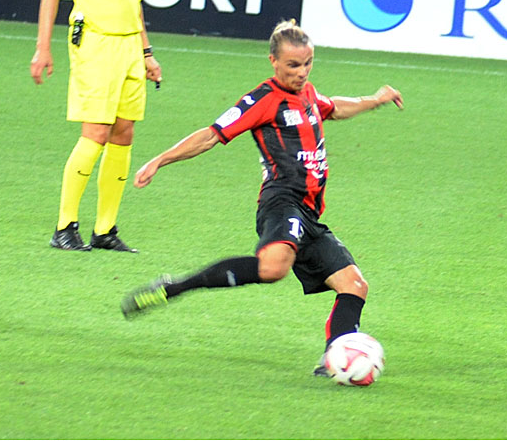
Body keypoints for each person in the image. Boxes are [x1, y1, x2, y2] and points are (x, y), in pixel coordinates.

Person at [121, 20, 403, 376]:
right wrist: (160, 160)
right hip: (282, 201)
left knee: (354, 285)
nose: (301, 72)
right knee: (273, 269)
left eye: (307, 63)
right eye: (292, 65)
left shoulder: (308, 94)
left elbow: (334, 107)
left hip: (310, 214)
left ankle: (335, 356)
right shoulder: (263, 100)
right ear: (273, 61)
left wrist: (375, 100)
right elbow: (211, 135)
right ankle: (176, 287)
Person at [30, 0, 162, 253]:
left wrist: (147, 51)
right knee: (96, 133)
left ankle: (105, 231)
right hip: (96, 43)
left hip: (128, 47)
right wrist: (42, 47)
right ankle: (64, 227)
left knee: (124, 133)